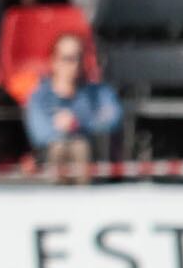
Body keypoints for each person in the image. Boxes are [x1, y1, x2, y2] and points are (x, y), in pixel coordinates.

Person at [20, 31, 120, 177]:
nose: (75, 64)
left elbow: (113, 118)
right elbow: (40, 134)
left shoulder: (99, 93)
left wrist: (79, 124)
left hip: (93, 165)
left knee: (81, 147)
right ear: (54, 61)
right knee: (62, 148)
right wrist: (64, 130)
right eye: (68, 58)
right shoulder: (39, 98)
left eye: (79, 57)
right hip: (53, 163)